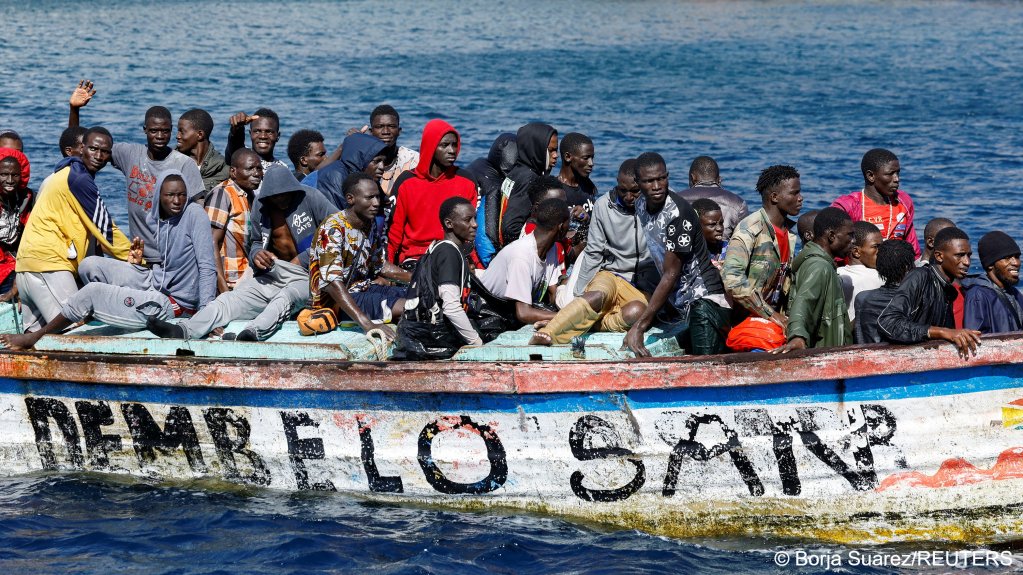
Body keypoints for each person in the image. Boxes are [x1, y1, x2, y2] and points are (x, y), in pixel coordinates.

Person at [1, 171, 215, 350]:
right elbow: (167, 262)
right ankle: (110, 311)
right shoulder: (158, 218)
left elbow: (206, 266)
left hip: (173, 302)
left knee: (92, 291)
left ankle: (36, 336)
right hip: (154, 282)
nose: (177, 201)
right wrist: (137, 263)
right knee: (89, 264)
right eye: (170, 195)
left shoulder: (195, 214)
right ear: (159, 196)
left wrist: (205, 314)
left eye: (182, 195)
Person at [147, 166, 335, 341]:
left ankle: (254, 332)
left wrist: (302, 259)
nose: (281, 200)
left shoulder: (311, 197)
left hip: (309, 275)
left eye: (285, 195)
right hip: (273, 273)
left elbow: (337, 231)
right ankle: (184, 330)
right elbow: (254, 243)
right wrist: (257, 255)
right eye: (275, 197)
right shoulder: (261, 208)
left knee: (287, 296)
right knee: (228, 299)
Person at [68, 81, 205, 264]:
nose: (159, 136)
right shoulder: (130, 154)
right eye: (154, 131)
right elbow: (81, 147)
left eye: (165, 131)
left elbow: (199, 212)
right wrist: (74, 110)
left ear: (171, 131)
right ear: (145, 130)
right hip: (138, 257)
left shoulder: (184, 164)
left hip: (173, 257)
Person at [14, 127, 132, 332]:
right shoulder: (79, 179)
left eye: (105, 152)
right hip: (49, 266)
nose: (99, 156)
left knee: (35, 337)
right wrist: (140, 259)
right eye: (93, 149)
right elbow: (105, 229)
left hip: (27, 265)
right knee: (76, 328)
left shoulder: (61, 172)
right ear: (81, 149)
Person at [528, 160, 651, 346]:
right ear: (617, 182)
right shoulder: (603, 206)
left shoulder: (657, 206)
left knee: (637, 312)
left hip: (643, 284)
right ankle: (549, 331)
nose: (628, 197)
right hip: (611, 274)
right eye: (622, 190)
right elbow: (593, 253)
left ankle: (591, 324)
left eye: (635, 191)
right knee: (596, 296)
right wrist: (580, 294)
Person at [624, 153, 729, 357]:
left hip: (705, 301)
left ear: (668, 176)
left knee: (705, 365)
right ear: (637, 183)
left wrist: (640, 326)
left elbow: (671, 274)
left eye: (661, 178)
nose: (656, 186)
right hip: (679, 302)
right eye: (649, 181)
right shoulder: (640, 204)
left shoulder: (678, 215)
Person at [308, 173, 411, 338]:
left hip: (363, 289)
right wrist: (367, 324)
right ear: (350, 199)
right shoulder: (333, 229)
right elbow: (332, 284)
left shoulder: (368, 223)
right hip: (338, 301)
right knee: (409, 307)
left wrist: (417, 279)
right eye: (369, 198)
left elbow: (380, 265)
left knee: (417, 296)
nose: (376, 203)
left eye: (377, 197)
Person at [394, 196, 483, 358]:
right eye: (468, 220)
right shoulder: (448, 252)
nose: (475, 224)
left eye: (475, 218)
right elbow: (451, 306)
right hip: (431, 337)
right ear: (449, 224)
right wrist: (477, 343)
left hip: (418, 332)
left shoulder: (440, 248)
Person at [877, 227, 982, 358]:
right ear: (939, 256)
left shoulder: (949, 289)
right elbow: (887, 322)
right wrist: (942, 332)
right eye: (959, 255)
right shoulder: (920, 276)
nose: (967, 262)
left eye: (969, 255)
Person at [387, 119, 479, 268]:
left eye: (455, 145)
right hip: (416, 259)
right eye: (444, 145)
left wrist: (478, 267)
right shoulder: (406, 182)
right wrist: (389, 268)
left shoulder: (467, 181)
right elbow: (393, 232)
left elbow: (473, 230)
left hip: (455, 255)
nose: (452, 150)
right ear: (430, 146)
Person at [722, 165, 801, 327]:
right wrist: (771, 314)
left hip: (776, 318)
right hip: (747, 320)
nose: (800, 198)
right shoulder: (750, 230)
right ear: (774, 197)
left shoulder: (790, 234)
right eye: (794, 193)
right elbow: (732, 280)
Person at [771, 207, 854, 353]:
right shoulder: (819, 267)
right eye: (849, 235)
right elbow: (804, 302)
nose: (853, 241)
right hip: (826, 356)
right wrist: (797, 336)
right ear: (832, 236)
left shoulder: (819, 263)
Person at [481, 198, 568, 325]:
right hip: (490, 314)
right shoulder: (521, 255)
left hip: (511, 311)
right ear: (561, 227)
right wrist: (566, 317)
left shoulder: (551, 248)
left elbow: (552, 293)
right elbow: (523, 313)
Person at [831, 148, 920, 257]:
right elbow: (834, 247)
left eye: (898, 173)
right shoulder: (848, 206)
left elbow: (913, 248)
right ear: (871, 176)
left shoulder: (904, 201)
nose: (897, 179)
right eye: (890, 174)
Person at [205, 149, 263, 293]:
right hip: (229, 282)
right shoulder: (222, 194)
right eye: (249, 169)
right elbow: (211, 242)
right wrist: (223, 289)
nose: (256, 174)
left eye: (259, 168)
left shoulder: (251, 196)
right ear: (233, 172)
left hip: (246, 278)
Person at [499, 122, 558, 246]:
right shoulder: (530, 179)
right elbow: (511, 228)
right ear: (537, 149)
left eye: (556, 150)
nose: (556, 156)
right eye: (551, 151)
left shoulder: (516, 171)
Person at [467, 133, 516, 266]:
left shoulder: (478, 163)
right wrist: (493, 262)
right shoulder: (495, 188)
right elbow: (485, 233)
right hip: (476, 252)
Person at [306, 132, 389, 210]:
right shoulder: (335, 176)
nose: (382, 167)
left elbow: (384, 202)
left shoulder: (364, 175)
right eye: (376, 161)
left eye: (384, 162)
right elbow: (337, 217)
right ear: (361, 160)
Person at [855, 239, 916, 344]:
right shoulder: (917, 300)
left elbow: (860, 337)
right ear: (907, 267)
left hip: (871, 355)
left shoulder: (862, 298)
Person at [962, 231, 1023, 334]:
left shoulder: (1016, 293)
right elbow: (976, 341)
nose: (1016, 263)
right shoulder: (978, 295)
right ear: (990, 264)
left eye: (1017, 256)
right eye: (1007, 258)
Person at [678, 156, 749, 241]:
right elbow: (744, 241)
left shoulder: (674, 200)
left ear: (693, 178)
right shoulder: (738, 203)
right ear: (719, 180)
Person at [361, 105, 419, 198]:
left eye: (391, 126)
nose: (385, 131)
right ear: (371, 132)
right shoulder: (361, 159)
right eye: (379, 127)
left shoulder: (413, 160)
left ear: (399, 131)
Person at [0, 151, 33, 302]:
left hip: (17, 264)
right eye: (4, 174)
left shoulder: (27, 199)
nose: (10, 180)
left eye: (15, 175)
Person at [176, 108, 231, 193]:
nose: (177, 136)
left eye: (182, 132)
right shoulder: (172, 160)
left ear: (200, 135)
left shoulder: (221, 166)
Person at [838, 221, 884, 321]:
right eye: (875, 247)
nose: (881, 252)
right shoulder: (880, 277)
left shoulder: (837, 274)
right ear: (856, 252)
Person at [225, 108, 287, 175]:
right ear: (250, 133)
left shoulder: (283, 169)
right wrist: (237, 129)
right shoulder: (242, 157)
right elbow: (235, 145)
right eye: (257, 131)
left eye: (269, 132)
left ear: (278, 136)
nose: (263, 136)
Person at [556, 132, 597, 205]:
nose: (591, 163)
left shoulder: (588, 187)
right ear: (568, 157)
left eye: (592, 157)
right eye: (585, 158)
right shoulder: (555, 191)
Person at [692, 198, 725, 266]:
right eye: (712, 224)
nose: (720, 228)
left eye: (721, 223)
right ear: (696, 226)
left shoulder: (728, 249)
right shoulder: (686, 252)